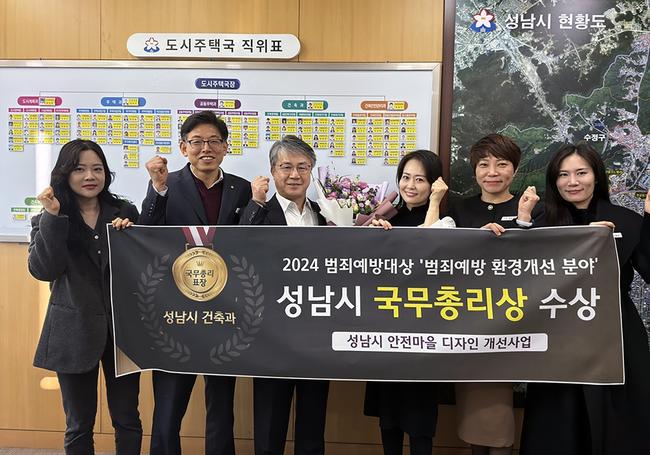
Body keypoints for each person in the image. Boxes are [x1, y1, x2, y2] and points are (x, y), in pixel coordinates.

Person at [520, 143, 650, 455]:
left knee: (620, 426)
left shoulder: (626, 220)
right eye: (563, 175)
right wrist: (522, 224)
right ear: (554, 180)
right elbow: (522, 280)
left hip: (616, 334)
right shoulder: (541, 223)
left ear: (596, 176)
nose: (572, 181)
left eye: (581, 173)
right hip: (558, 335)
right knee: (558, 424)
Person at [139, 111, 252, 455]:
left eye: (214, 141)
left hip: (224, 310)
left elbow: (250, 243)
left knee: (221, 402)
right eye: (197, 141)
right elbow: (147, 232)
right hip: (176, 310)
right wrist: (157, 188)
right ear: (183, 147)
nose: (207, 148)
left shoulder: (241, 188)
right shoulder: (166, 184)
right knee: (169, 402)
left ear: (226, 147)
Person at [28, 139, 142, 454]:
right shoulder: (49, 216)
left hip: (122, 331)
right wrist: (53, 217)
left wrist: (131, 236)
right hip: (73, 330)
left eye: (97, 169)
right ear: (64, 174)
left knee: (127, 418)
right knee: (79, 424)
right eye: (79, 169)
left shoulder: (124, 212)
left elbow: (145, 267)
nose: (90, 176)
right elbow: (44, 270)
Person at [448, 134, 539, 455]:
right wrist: (475, 241)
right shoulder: (460, 209)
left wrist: (523, 221)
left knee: (498, 408)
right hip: (468, 322)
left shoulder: (530, 207)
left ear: (515, 169)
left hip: (512, 322)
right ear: (474, 170)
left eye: (502, 164)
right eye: (483, 165)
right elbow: (442, 260)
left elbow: (537, 262)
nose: (492, 172)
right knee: (473, 405)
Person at [239, 135, 329, 455]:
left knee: (313, 418)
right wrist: (256, 202)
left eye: (302, 167)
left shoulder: (326, 214)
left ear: (311, 171)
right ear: (272, 171)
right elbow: (239, 249)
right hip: (271, 333)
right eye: (286, 167)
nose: (294, 175)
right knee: (269, 420)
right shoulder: (258, 211)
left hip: (316, 331)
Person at [363, 150, 451, 455]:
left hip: (424, 334)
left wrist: (435, 203)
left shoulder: (446, 218)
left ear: (435, 183)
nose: (410, 186)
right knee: (388, 418)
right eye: (405, 177)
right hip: (386, 330)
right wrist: (372, 238)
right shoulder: (385, 216)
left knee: (420, 418)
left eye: (420, 180)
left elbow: (428, 250)